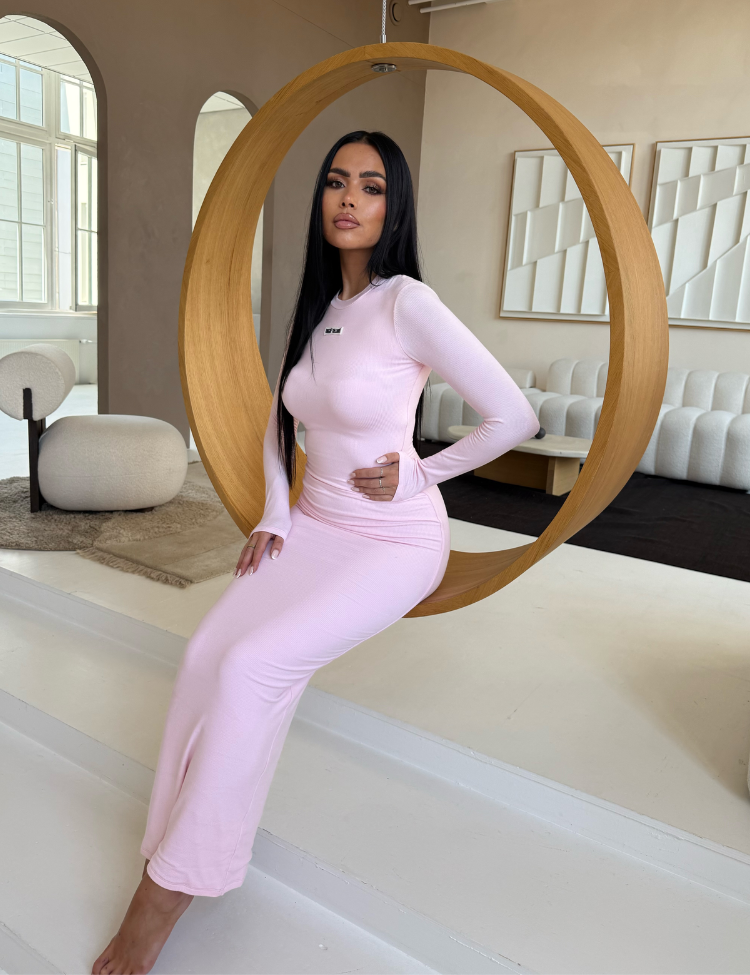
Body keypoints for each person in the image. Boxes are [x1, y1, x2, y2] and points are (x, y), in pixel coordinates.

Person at [92, 130, 539, 974]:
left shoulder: (407, 302)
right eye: (337, 182)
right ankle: (174, 842)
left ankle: (164, 896)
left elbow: (514, 416)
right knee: (204, 653)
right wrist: (275, 512)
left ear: (393, 206)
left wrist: (419, 472)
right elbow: (280, 417)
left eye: (370, 186)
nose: (349, 198)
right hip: (313, 525)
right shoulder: (322, 305)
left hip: (395, 541)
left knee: (252, 665)